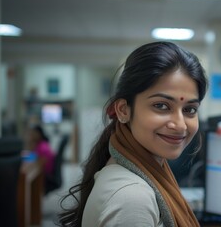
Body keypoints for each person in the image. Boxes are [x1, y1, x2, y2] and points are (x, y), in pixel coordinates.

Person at [59, 41, 208, 226]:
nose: (180, 125)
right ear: (123, 110)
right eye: (161, 106)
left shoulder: (130, 170)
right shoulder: (133, 199)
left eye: (190, 109)